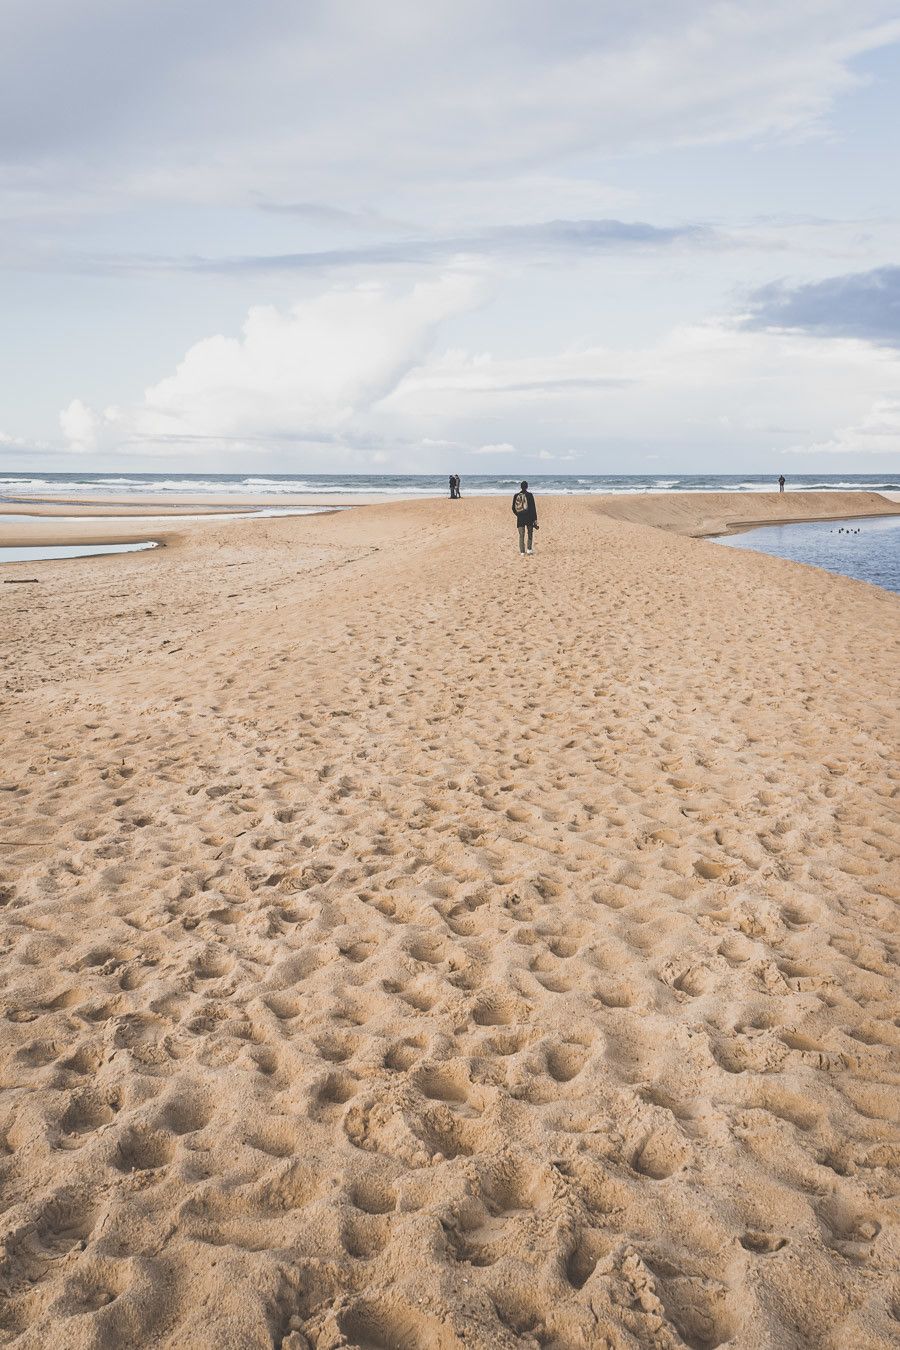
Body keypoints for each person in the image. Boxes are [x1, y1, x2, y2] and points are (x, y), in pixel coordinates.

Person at [512, 480, 538, 555]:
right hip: (529, 518)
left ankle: (522, 551)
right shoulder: (530, 495)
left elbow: (513, 508)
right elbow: (533, 508)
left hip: (520, 518)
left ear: (520, 487)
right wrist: (535, 519)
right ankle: (529, 549)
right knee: (530, 533)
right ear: (527, 487)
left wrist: (518, 515)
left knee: (521, 535)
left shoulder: (516, 495)